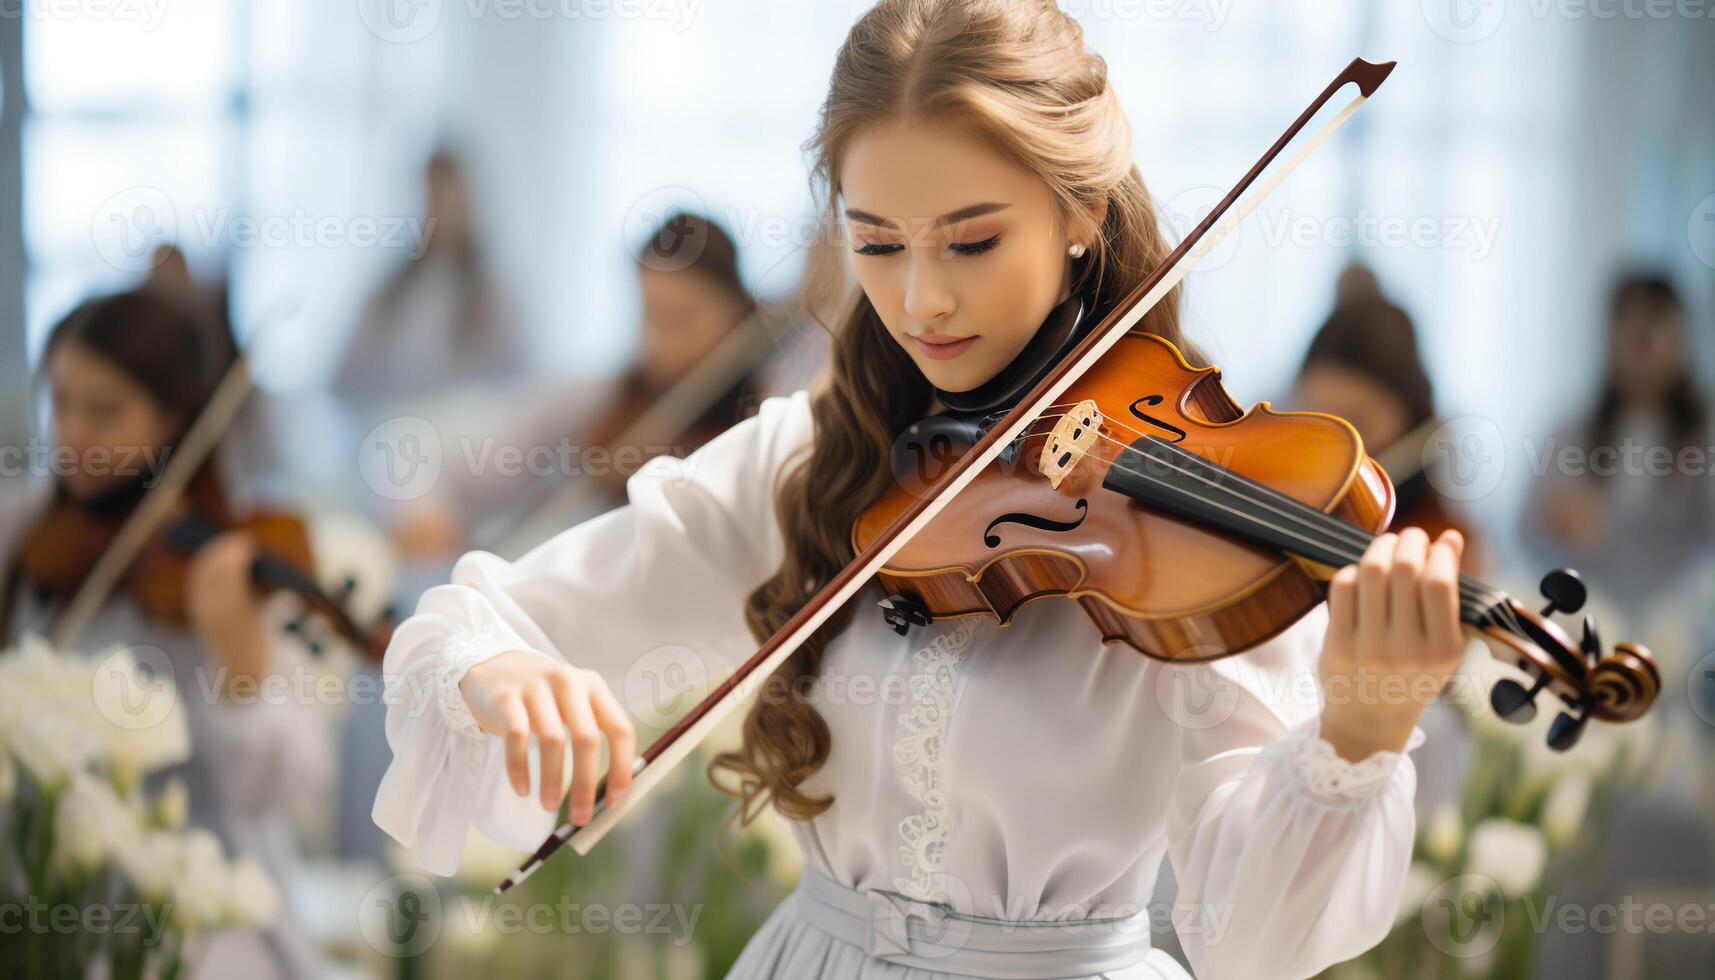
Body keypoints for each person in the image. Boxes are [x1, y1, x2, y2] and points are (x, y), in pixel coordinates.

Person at [373, 3, 1466, 978]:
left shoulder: (1194, 525)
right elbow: (469, 625)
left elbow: (1250, 941)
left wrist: (1358, 736)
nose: (921, 297)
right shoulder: (813, 458)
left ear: (1078, 211)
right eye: (877, 242)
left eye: (972, 239)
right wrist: (500, 667)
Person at [0, 288, 334, 980]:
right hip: (32, 892)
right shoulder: (25, 529)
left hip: (193, 916)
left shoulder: (227, 562)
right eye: (60, 403)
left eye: (105, 411)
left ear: (176, 421)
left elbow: (289, 787)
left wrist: (241, 665)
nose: (73, 436)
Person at [1522, 272, 1712, 615]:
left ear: (1682, 335)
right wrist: (1556, 522)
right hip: (1589, 612)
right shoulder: (1573, 430)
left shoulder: (1705, 432)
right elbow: (1527, 529)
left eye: (1656, 323)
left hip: (1681, 620)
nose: (1643, 343)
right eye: (1629, 325)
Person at [1291, 263, 1487, 575]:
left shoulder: (1436, 546)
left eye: (1358, 421)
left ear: (1410, 416)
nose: (1338, 447)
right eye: (1317, 421)